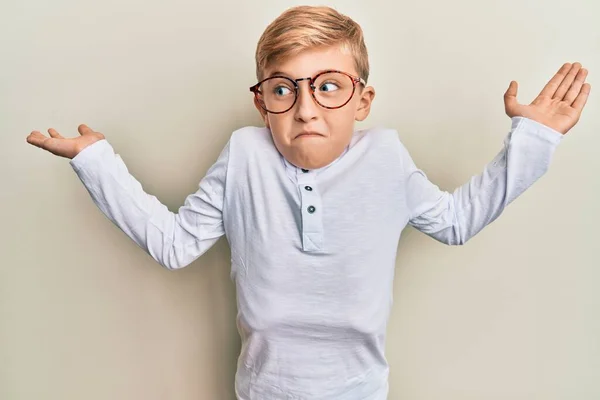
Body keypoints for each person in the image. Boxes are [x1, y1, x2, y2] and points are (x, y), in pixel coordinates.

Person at [25, 5, 591, 400]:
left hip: (360, 392)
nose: (306, 108)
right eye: (283, 88)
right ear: (262, 102)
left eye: (327, 85)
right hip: (263, 391)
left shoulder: (387, 158)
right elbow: (175, 246)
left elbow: (456, 221)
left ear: (362, 100)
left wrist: (535, 138)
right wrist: (96, 160)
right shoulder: (244, 154)